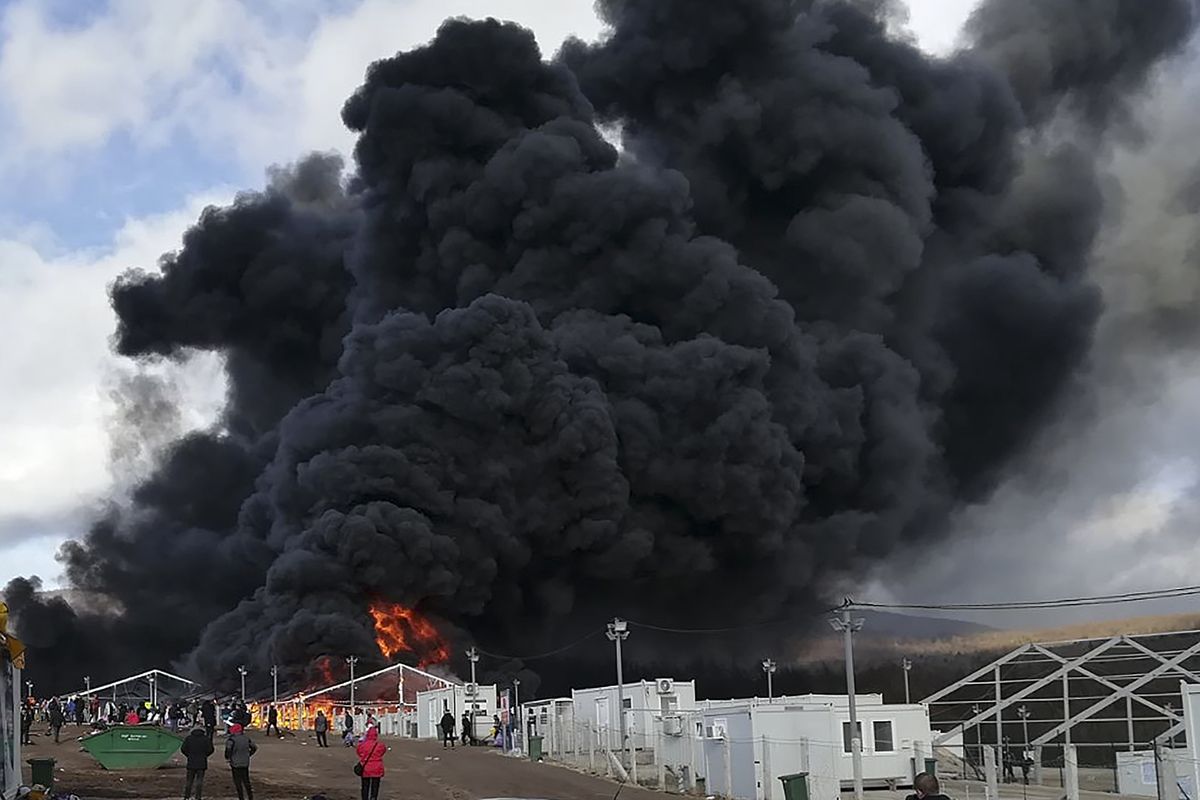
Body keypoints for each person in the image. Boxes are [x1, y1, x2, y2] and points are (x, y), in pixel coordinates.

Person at [225, 722, 258, 800]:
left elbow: (228, 750)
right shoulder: (246, 738)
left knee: (238, 782)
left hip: (235, 762)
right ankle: (250, 797)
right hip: (245, 762)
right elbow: (254, 747)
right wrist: (249, 754)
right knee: (246, 780)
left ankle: (241, 797)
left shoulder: (231, 740)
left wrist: (228, 758)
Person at [181, 725, 215, 800]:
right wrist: (205, 755)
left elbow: (183, 749)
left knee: (189, 781)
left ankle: (186, 796)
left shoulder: (189, 739)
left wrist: (189, 755)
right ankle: (198, 797)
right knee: (199, 781)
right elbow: (211, 749)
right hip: (202, 762)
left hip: (191, 762)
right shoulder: (206, 739)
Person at [355, 726, 386, 800]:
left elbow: (359, 753)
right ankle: (373, 797)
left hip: (365, 767)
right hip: (377, 768)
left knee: (365, 786)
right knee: (375, 786)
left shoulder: (362, 745)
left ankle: (365, 798)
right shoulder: (380, 745)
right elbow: (382, 752)